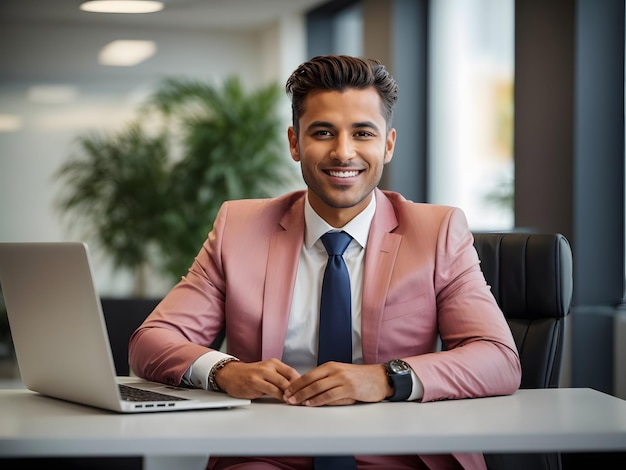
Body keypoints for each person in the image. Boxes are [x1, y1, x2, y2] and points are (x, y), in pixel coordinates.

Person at [129, 54, 521, 470]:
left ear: (387, 145)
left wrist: (386, 378)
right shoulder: (239, 228)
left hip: (401, 452)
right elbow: (150, 342)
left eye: (362, 133)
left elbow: (497, 357)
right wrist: (222, 369)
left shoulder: (437, 231)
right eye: (323, 132)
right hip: (269, 454)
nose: (343, 152)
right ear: (295, 143)